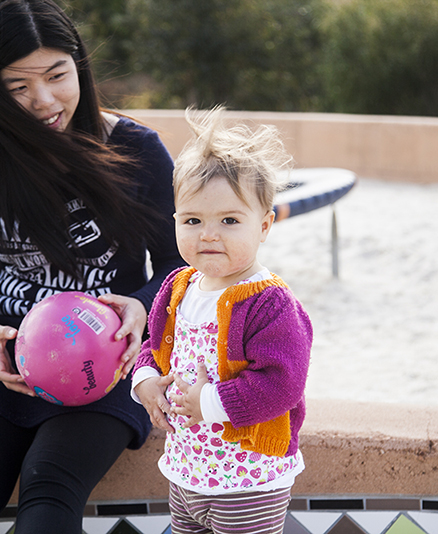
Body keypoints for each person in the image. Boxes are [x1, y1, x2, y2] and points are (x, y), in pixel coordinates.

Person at [0, 1, 184, 533]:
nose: (43, 101)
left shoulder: (137, 149)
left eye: (57, 75)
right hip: (4, 366)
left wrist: (142, 305)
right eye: (18, 86)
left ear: (78, 65)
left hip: (106, 369)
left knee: (49, 496)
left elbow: (180, 264)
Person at [132, 107, 313, 534]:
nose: (208, 234)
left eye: (229, 221)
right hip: (188, 469)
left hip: (249, 478)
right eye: (192, 220)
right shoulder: (179, 286)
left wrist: (208, 404)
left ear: (264, 225)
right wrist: (144, 380)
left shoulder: (269, 303)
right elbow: (154, 345)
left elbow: (283, 383)